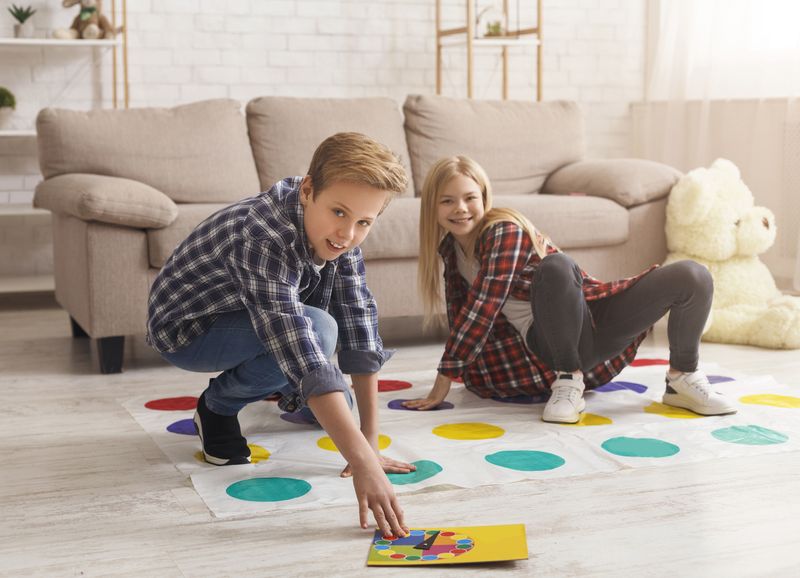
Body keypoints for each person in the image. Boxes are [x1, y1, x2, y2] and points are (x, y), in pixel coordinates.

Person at [147, 132, 414, 537]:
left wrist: (369, 440)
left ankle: (299, 394)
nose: (347, 234)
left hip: (248, 315)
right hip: (188, 330)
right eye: (339, 212)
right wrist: (362, 463)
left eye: (364, 222)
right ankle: (216, 408)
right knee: (318, 331)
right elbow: (293, 337)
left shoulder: (343, 237)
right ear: (308, 190)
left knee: (337, 394)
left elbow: (360, 323)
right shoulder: (262, 234)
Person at [403, 156, 737, 423]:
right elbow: (466, 314)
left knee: (693, 275)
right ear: (431, 207)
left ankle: (682, 378)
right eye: (447, 201)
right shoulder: (450, 251)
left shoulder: (503, 230)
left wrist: (444, 378)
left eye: (469, 198)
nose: (460, 208)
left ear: (485, 198)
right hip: (548, 342)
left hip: (592, 321)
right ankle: (568, 378)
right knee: (557, 267)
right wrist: (466, 373)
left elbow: (485, 303)